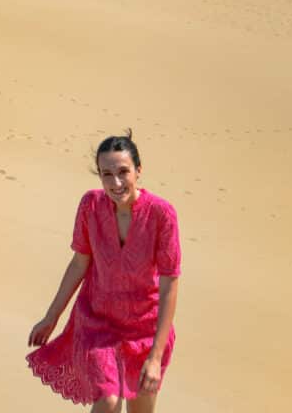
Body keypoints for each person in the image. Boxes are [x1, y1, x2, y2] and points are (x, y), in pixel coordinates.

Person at [26, 130, 181, 412]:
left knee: (141, 410)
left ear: (139, 171)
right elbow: (79, 264)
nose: (116, 182)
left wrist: (155, 357)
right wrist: (51, 317)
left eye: (123, 172)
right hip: (98, 324)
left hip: (145, 330)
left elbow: (170, 283)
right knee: (109, 400)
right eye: (106, 174)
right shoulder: (91, 205)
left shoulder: (162, 214)